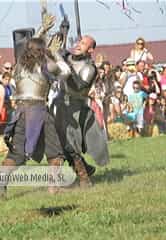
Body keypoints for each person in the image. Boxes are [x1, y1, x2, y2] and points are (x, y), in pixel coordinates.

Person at [0, 37, 67, 200]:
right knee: (55, 152)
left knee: (17, 154)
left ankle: (1, 187)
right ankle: (53, 187)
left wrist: (42, 32)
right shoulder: (47, 65)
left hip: (21, 112)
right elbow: (66, 73)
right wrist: (56, 54)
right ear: (42, 50)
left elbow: (28, 49)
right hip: (40, 111)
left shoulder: (18, 66)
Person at [50, 35, 110, 187]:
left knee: (70, 145)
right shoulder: (68, 57)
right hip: (59, 105)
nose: (78, 45)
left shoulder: (90, 68)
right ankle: (83, 172)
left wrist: (65, 65)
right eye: (79, 42)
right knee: (57, 143)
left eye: (83, 44)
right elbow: (56, 53)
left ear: (90, 50)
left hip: (76, 109)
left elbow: (78, 86)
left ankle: (83, 179)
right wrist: (60, 34)